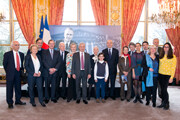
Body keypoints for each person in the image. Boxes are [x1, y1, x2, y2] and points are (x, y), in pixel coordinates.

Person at [3, 41, 26, 109]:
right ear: (12, 46)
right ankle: (10, 102)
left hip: (18, 73)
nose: (18, 46)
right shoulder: (7, 54)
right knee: (9, 88)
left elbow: (22, 64)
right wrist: (9, 72)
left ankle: (18, 100)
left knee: (18, 87)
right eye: (16, 45)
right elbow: (5, 64)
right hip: (10, 73)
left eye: (18, 45)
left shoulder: (22, 54)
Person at [157, 42, 176, 110]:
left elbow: (173, 68)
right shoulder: (161, 55)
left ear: (169, 48)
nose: (166, 48)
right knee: (162, 90)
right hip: (160, 74)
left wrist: (171, 77)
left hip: (167, 75)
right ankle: (163, 102)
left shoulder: (173, 57)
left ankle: (167, 103)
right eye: (165, 47)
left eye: (167, 47)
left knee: (164, 90)